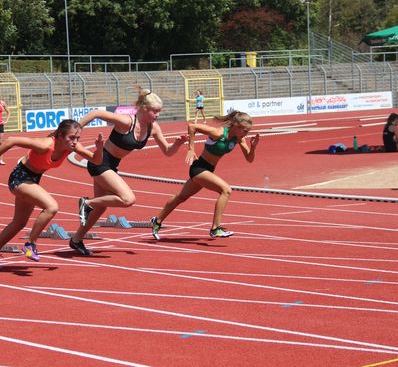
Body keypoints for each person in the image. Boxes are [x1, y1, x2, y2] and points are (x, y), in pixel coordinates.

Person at [72, 88, 188, 256]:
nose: (158, 115)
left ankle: (76, 240)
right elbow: (96, 113)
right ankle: (87, 203)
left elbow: (168, 151)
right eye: (155, 111)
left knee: (101, 207)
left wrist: (178, 144)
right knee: (128, 199)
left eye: (159, 112)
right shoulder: (126, 122)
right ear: (143, 109)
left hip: (112, 165)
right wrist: (75, 131)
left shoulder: (153, 128)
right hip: (100, 162)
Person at [0, 119, 103, 269]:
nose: (74, 142)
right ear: (59, 136)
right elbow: (11, 140)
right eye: (71, 137)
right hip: (19, 178)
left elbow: (96, 160)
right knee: (51, 206)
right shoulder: (45, 144)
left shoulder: (72, 147)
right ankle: (30, 245)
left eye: (77, 138)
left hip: (33, 180)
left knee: (19, 223)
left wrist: (99, 149)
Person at [150, 110, 260, 240]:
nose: (246, 133)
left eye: (248, 131)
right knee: (226, 190)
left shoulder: (239, 139)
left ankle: (157, 221)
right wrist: (191, 148)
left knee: (181, 197)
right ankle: (215, 229)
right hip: (199, 168)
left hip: (208, 170)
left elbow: (249, 159)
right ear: (236, 126)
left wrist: (253, 147)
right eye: (245, 130)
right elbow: (192, 126)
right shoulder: (218, 132)